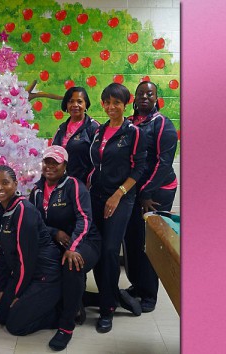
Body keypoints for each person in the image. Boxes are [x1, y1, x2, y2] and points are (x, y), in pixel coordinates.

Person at [29, 145, 101, 351]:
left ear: (65, 165)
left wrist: (74, 247)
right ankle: (95, 299)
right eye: (47, 162)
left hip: (86, 241)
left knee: (71, 265)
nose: (50, 166)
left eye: (55, 162)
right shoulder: (36, 191)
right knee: (52, 268)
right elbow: (37, 222)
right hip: (59, 241)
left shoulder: (74, 186)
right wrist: (55, 233)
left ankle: (66, 325)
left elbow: (85, 219)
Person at [89, 83, 146, 333]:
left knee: (111, 249)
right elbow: (97, 164)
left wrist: (118, 194)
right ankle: (110, 295)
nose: (112, 107)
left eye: (117, 103)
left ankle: (107, 309)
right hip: (97, 196)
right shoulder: (100, 131)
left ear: (125, 105)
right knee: (99, 249)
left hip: (121, 198)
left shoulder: (132, 132)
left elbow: (139, 168)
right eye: (107, 102)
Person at [121, 81, 178, 313]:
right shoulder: (130, 123)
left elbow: (163, 164)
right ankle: (138, 285)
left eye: (150, 94)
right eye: (141, 93)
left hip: (157, 191)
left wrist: (146, 193)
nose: (145, 96)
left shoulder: (163, 124)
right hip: (135, 191)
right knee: (132, 239)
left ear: (156, 99)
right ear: (134, 98)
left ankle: (149, 295)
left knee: (148, 243)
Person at [0, 165, 61, 336]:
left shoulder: (23, 210)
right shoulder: (2, 212)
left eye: (5, 182)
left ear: (15, 184)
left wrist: (18, 294)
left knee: (15, 326)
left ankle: (60, 312)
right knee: (2, 316)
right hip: (28, 272)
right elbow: (5, 256)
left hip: (45, 275)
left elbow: (26, 259)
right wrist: (2, 289)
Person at [52, 86, 99, 184]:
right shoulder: (62, 128)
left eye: (79, 101)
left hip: (85, 185)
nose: (75, 105)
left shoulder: (94, 127)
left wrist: (88, 184)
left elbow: (98, 161)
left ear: (86, 105)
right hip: (62, 184)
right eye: (71, 101)